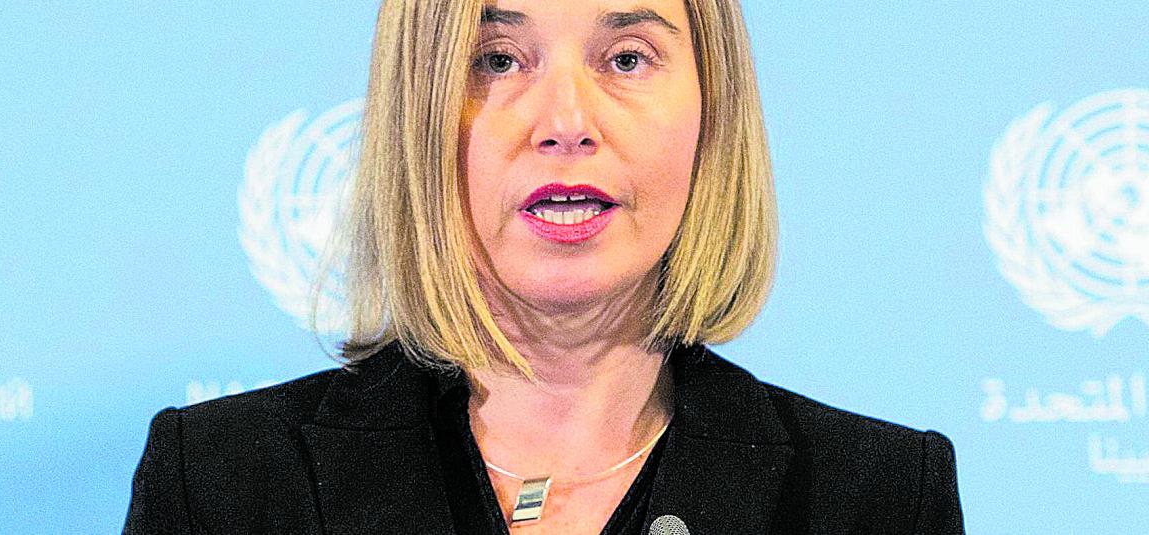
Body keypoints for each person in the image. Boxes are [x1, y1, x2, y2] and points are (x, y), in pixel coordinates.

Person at [124, 0, 965, 533]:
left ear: (714, 110)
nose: (566, 121)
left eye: (626, 58)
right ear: (418, 108)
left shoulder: (879, 498)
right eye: (496, 59)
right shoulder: (222, 485)